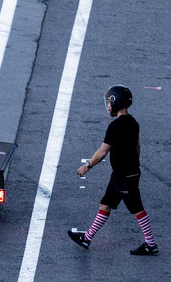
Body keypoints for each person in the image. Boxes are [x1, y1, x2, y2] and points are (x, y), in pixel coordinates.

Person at [67, 85, 158, 255]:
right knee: (106, 205)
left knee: (137, 209)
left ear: (115, 102)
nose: (108, 105)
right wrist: (133, 165)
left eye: (109, 102)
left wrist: (87, 166)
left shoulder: (115, 127)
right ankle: (87, 238)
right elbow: (138, 147)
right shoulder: (133, 123)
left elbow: (102, 152)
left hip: (123, 176)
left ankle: (151, 244)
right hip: (126, 174)